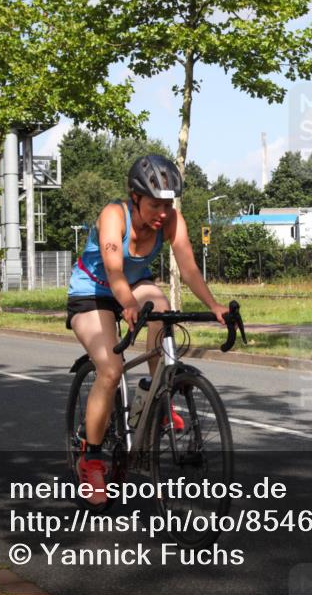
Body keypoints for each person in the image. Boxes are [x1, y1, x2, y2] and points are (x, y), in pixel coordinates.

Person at [66, 154, 226, 505]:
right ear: (135, 197)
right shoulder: (113, 215)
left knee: (164, 311)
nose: (163, 213)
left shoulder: (171, 221)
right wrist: (126, 303)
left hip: (135, 288)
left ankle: (160, 394)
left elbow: (187, 267)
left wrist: (214, 305)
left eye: (168, 204)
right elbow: (113, 270)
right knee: (110, 370)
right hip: (93, 292)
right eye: (155, 204)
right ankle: (91, 459)